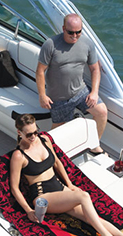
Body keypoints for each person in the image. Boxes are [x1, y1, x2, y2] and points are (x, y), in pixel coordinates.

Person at [10, 114, 123, 236]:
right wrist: (28, 210)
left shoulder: (44, 140)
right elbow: (14, 187)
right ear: (19, 133)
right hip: (42, 197)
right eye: (29, 134)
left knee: (91, 217)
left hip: (59, 188)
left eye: (36, 131)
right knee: (83, 196)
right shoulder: (19, 155)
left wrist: (69, 184)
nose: (34, 136)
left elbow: (58, 163)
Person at [36, 13, 107, 154]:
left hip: (80, 92)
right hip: (58, 98)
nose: (74, 36)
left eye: (78, 32)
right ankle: (43, 154)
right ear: (63, 28)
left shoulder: (87, 44)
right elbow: (39, 71)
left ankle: (94, 144)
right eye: (71, 32)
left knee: (101, 112)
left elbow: (95, 69)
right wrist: (42, 95)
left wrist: (94, 92)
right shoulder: (50, 44)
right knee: (56, 132)